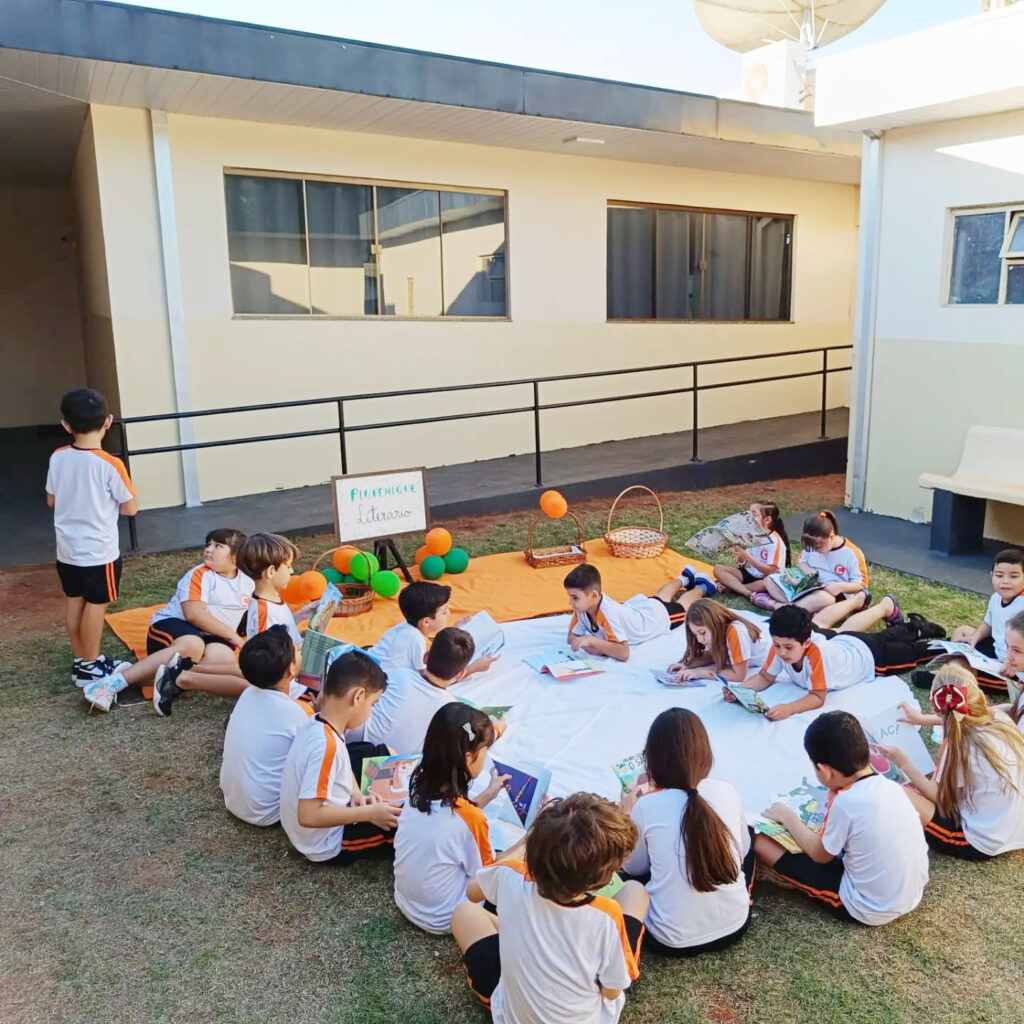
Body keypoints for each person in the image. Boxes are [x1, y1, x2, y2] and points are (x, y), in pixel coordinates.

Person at [452, 793, 650, 1024]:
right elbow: (612, 990)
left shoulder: (509, 875)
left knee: (464, 912)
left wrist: (526, 842)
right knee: (635, 891)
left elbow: (472, 892)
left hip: (511, 1016)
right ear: (604, 878)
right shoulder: (606, 916)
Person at [754, 710, 928, 925]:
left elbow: (820, 855)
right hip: (911, 895)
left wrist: (788, 817)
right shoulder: (890, 786)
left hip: (868, 907)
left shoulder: (846, 803)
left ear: (823, 771)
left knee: (761, 843)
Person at [82, 529, 257, 714]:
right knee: (193, 645)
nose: (208, 549)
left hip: (212, 636)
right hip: (174, 626)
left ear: (236, 557)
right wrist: (233, 637)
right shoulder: (199, 575)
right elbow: (194, 614)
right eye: (208, 544)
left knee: (224, 658)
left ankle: (173, 676)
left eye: (218, 546)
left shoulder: (247, 581)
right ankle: (113, 683)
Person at [623, 708, 754, 955]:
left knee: (628, 883)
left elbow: (633, 869)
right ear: (705, 753)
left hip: (670, 939)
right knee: (747, 834)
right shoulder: (727, 790)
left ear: (652, 760)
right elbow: (744, 849)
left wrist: (627, 813)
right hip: (735, 924)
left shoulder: (647, 805)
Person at [393, 703, 518, 934]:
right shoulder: (470, 818)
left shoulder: (418, 785)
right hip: (446, 917)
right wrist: (528, 840)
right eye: (485, 750)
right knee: (514, 869)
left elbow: (452, 822)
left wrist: (488, 794)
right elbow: (487, 875)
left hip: (406, 901)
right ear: (469, 758)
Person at [883, 665, 1024, 860]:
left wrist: (905, 763)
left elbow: (942, 799)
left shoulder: (960, 747)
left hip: (981, 842)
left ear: (938, 709)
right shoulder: (1002, 718)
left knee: (897, 792)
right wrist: (924, 720)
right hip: (1014, 830)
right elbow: (970, 716)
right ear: (981, 697)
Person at [46, 388, 137, 687]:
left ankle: (81, 661)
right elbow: (130, 507)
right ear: (108, 421)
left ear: (66, 425)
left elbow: (52, 500)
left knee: (75, 601)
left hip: (67, 550)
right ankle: (90, 665)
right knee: (96, 605)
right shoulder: (111, 464)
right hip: (100, 552)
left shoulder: (58, 457)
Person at [279, 650, 401, 863]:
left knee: (372, 751)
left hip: (317, 823)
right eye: (373, 704)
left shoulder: (319, 722)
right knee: (404, 820)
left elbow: (342, 766)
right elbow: (308, 815)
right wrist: (369, 813)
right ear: (358, 696)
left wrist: (357, 796)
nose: (371, 712)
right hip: (327, 843)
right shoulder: (326, 747)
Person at [727, 606, 921, 721]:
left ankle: (922, 632)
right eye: (777, 645)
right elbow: (764, 677)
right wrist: (739, 690)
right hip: (847, 641)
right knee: (885, 637)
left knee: (913, 654)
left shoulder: (816, 653)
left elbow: (818, 697)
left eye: (788, 647)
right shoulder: (779, 647)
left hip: (868, 657)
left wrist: (789, 708)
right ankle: (914, 627)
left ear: (806, 642)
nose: (781, 652)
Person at [219, 625, 314, 827]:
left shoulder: (247, 694)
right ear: (291, 669)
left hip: (234, 801)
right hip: (268, 811)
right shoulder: (293, 712)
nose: (299, 648)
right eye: (296, 650)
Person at [355, 627, 475, 754]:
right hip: (391, 765)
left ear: (425, 657)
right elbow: (471, 737)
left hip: (356, 745)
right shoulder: (451, 707)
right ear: (461, 674)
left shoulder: (402, 675)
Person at [755, 511, 875, 630]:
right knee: (770, 580)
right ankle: (798, 607)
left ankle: (782, 607)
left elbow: (861, 584)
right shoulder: (812, 546)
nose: (815, 550)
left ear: (831, 537)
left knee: (825, 598)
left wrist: (840, 587)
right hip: (810, 585)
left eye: (819, 546)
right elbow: (802, 562)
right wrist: (809, 574)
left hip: (834, 593)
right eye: (812, 547)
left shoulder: (851, 553)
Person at [370, 581, 497, 677]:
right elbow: (431, 679)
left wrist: (453, 630)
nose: (449, 613)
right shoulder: (415, 639)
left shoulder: (404, 627)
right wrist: (473, 668)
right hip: (382, 686)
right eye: (444, 612)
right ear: (426, 621)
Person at [564, 563, 684, 662]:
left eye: (575, 598)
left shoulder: (607, 613)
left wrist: (591, 641)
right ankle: (684, 577)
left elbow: (624, 653)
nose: (571, 603)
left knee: (684, 606)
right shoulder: (582, 608)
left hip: (653, 620)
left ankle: (701, 586)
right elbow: (572, 637)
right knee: (660, 597)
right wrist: (595, 646)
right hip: (636, 608)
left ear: (594, 596)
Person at [665, 599, 771, 684]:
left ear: (715, 623)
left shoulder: (736, 632)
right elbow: (714, 654)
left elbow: (738, 675)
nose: (699, 639)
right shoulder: (717, 632)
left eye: (702, 633)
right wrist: (688, 664)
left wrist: (699, 673)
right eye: (695, 634)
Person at [950, 549, 1024, 662]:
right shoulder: (996, 598)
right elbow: (988, 624)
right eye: (999, 576)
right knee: (961, 631)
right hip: (995, 647)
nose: (1005, 581)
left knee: (962, 662)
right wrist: (974, 638)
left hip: (1011, 663)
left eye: (1013, 577)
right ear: (992, 576)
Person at [713, 501, 791, 599]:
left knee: (766, 583)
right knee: (718, 569)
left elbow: (770, 571)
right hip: (750, 573)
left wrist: (748, 557)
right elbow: (743, 564)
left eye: (754, 515)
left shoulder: (775, 542)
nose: (748, 518)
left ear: (767, 520)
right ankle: (741, 589)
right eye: (748, 514)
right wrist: (740, 557)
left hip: (765, 578)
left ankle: (737, 589)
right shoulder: (750, 535)